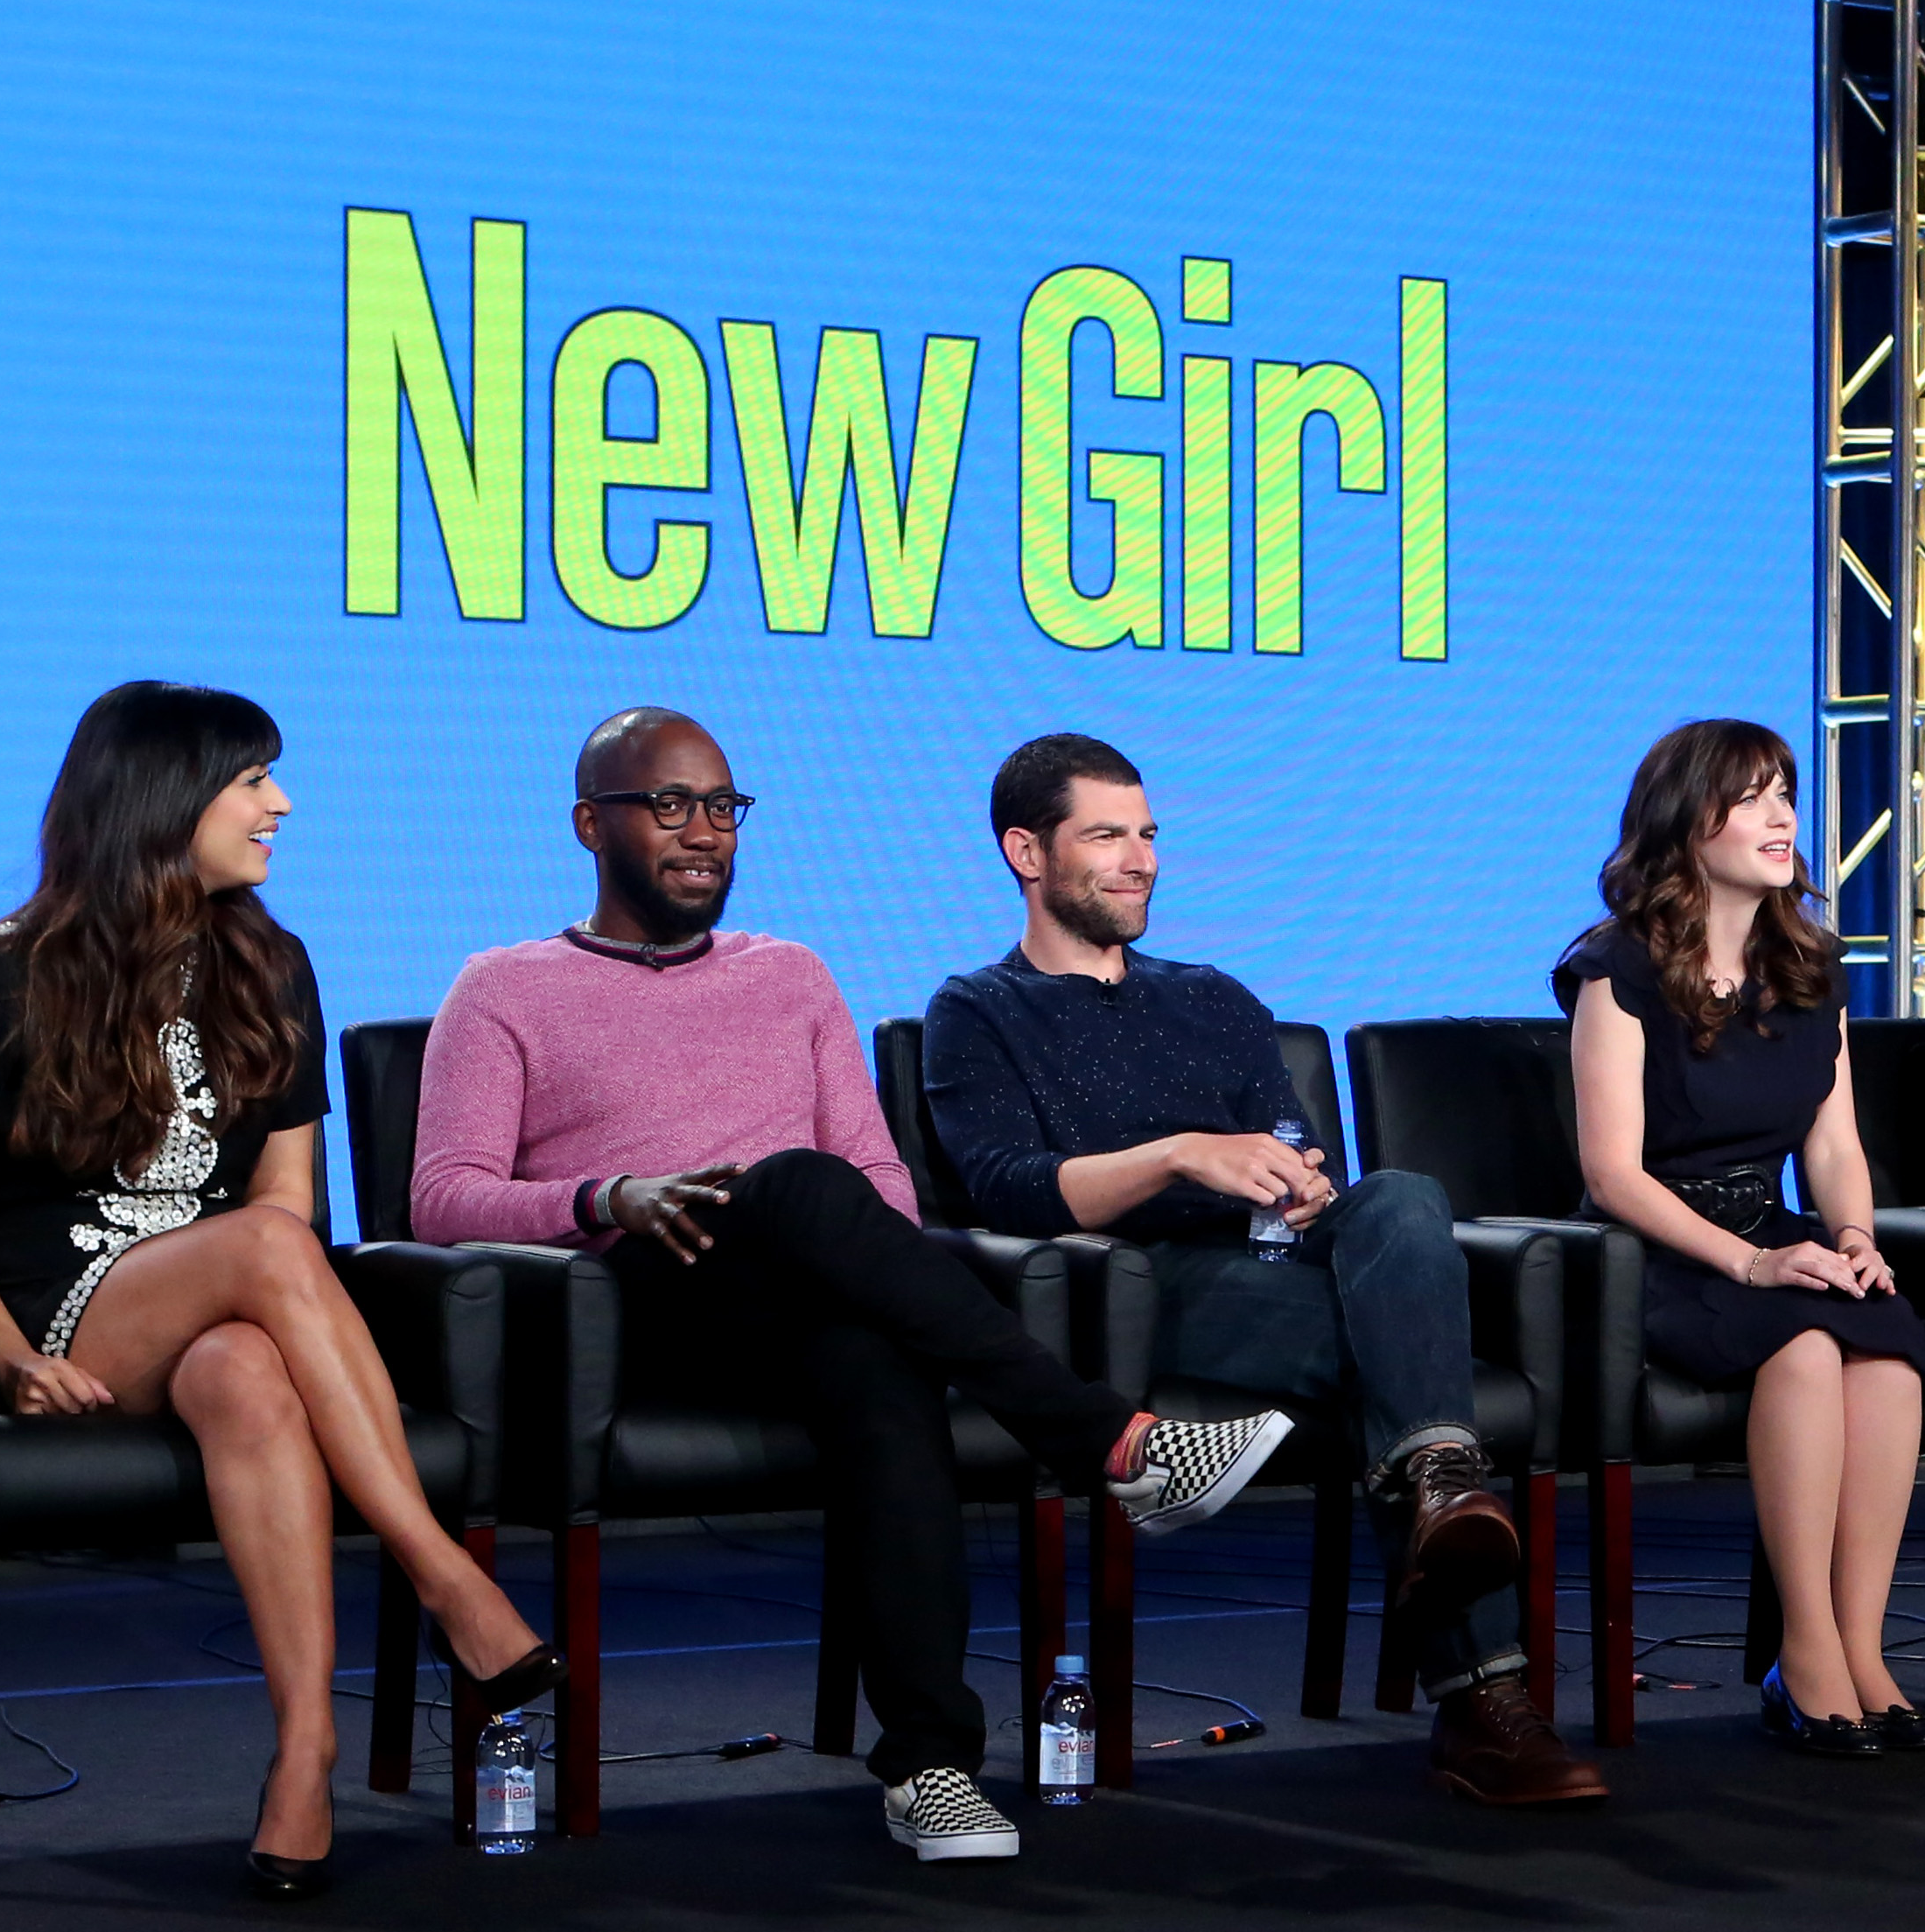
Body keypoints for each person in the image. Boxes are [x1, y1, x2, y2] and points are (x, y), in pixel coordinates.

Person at [413, 707, 1288, 1868]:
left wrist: (849, 1248)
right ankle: (1112, 1439)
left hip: (797, 1295)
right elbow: (443, 1197)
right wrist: (609, 1195)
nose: (704, 831)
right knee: (796, 1182)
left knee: (874, 1348)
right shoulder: (504, 986)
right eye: (669, 805)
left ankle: (931, 1767)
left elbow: (879, 1179)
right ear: (590, 823)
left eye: (723, 807)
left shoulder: (790, 973)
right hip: (628, 1306)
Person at [0, 682, 556, 1900]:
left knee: (251, 1369)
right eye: (252, 779)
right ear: (165, 797)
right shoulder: (6, 971)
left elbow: (292, 1196)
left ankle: (304, 1753)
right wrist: (8, 1357)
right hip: (69, 1310)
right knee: (261, 1246)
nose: (280, 803)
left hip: (229, 1304)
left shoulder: (272, 962)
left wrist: (252, 1285)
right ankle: (444, 1574)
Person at [922, 732, 1602, 1809]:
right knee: (1409, 1357)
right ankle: (1485, 1691)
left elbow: (1289, 1149)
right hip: (1137, 1285)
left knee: (1401, 1195)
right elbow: (1008, 1189)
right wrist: (1179, 1155)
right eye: (1106, 835)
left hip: (1272, 1258)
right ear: (1026, 851)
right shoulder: (976, 1009)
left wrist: (1298, 1185)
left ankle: (1440, 1479)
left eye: (1148, 833)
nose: (1140, 859)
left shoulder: (1214, 996)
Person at [1559, 721, 1925, 1757]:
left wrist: (1855, 1233)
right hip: (1657, 1248)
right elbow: (1612, 1174)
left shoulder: (1809, 965)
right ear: (1683, 820)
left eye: (1784, 792)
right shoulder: (1618, 968)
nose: (1781, 816)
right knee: (1807, 1342)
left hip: (1772, 1230)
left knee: (1889, 1355)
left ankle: (1861, 1646)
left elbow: (1832, 1142)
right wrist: (1747, 1260)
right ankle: (1806, 1647)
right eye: (1750, 797)